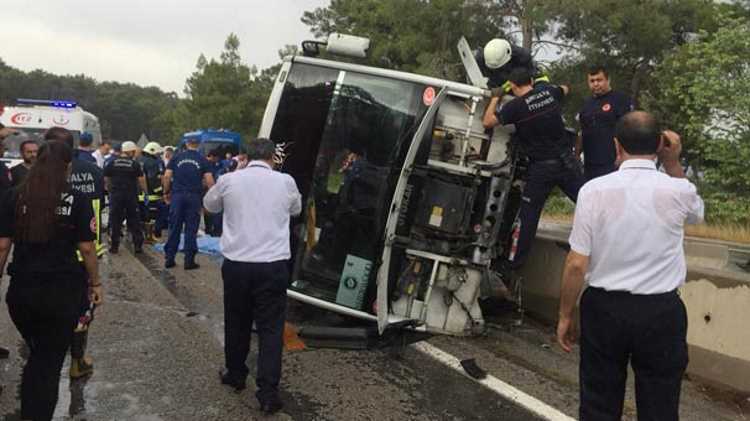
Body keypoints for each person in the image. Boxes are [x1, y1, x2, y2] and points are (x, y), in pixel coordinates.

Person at [557, 112, 704, 420]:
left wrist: (566, 315)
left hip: (604, 309)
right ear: (660, 146)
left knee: (599, 403)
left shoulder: (593, 191)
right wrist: (674, 162)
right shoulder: (679, 191)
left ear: (616, 145)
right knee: (661, 406)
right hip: (661, 312)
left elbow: (576, 264)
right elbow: (696, 215)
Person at [0, 141, 103, 421]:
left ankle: (30, 406)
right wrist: (95, 284)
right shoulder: (76, 199)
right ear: (67, 166)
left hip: (22, 293)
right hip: (61, 294)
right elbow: (86, 248)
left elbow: (2, 246)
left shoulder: (13, 196)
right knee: (47, 363)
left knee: (39, 355)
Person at [204, 138, 301, 415]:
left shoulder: (229, 180)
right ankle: (268, 393)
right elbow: (295, 210)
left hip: (237, 265)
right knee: (270, 330)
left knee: (237, 321)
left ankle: (235, 374)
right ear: (273, 157)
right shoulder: (286, 182)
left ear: (245, 156)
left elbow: (210, 206)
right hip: (272, 266)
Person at [483, 68, 585, 270]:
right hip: (568, 164)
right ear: (531, 80)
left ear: (512, 86)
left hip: (541, 169)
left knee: (528, 219)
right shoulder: (548, 93)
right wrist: (544, 84)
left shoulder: (515, 107)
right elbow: (565, 88)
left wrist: (496, 97)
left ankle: (512, 265)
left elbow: (487, 122)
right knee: (590, 202)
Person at [46, 127, 107, 378]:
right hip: (85, 251)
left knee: (47, 304)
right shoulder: (93, 171)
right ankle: (77, 360)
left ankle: (46, 355)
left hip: (49, 252)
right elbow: (99, 205)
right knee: (82, 307)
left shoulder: (41, 174)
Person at [163, 137, 214, 269]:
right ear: (198, 145)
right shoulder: (203, 159)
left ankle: (169, 258)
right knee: (191, 229)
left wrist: (166, 191)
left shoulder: (176, 157)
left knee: (174, 227)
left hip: (178, 196)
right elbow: (209, 180)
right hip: (194, 197)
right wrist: (212, 196)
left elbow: (167, 176)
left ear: (186, 144)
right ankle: (189, 261)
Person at [577, 66, 634, 180]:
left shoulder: (621, 100)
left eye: (599, 80)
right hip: (591, 163)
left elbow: (628, 130)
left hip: (613, 161)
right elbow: (582, 131)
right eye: (592, 81)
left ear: (608, 80)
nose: (596, 84)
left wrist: (621, 155)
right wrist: (577, 154)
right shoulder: (586, 105)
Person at [104, 141, 146, 254]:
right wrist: (145, 191)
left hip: (116, 195)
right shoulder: (134, 164)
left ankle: (114, 246)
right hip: (131, 196)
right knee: (134, 220)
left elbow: (106, 178)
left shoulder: (112, 162)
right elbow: (141, 180)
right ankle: (137, 246)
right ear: (131, 152)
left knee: (115, 221)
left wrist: (109, 189)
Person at [476, 38, 546, 93]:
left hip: (517, 89)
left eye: (500, 67)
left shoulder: (523, 57)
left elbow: (526, 80)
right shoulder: (481, 58)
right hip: (494, 86)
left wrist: (503, 89)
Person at [138, 142, 167, 241]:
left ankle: (143, 236)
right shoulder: (152, 163)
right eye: (158, 153)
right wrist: (160, 191)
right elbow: (153, 179)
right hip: (151, 195)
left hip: (139, 195)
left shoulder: (139, 160)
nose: (158, 155)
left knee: (143, 216)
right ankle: (150, 237)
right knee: (153, 217)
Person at [204, 149, 225, 236]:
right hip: (208, 190)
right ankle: (212, 230)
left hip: (211, 189)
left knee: (212, 211)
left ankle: (212, 230)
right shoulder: (205, 163)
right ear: (212, 156)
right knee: (211, 211)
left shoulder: (215, 164)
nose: (217, 160)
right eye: (216, 158)